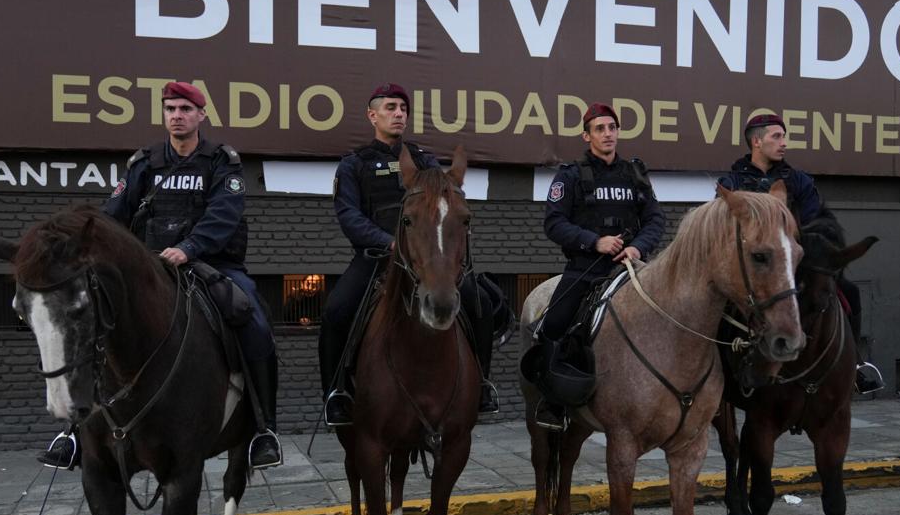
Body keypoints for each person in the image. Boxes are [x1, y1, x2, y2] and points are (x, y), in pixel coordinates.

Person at [38, 81, 283, 470]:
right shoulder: (145, 163)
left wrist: (189, 248)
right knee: (95, 324)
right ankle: (75, 430)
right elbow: (113, 217)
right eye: (170, 109)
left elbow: (225, 214)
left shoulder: (222, 161)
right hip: (150, 270)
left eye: (185, 109)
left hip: (212, 265)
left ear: (201, 115)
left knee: (251, 317)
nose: (177, 116)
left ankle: (263, 428)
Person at [320, 82, 498, 426]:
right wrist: (389, 242)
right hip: (376, 259)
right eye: (390, 108)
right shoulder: (353, 165)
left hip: (427, 260)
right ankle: (336, 393)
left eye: (403, 109)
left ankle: (483, 384)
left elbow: (446, 201)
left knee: (480, 303)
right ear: (372, 115)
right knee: (336, 310)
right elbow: (349, 216)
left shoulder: (424, 161)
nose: (398, 113)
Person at [719, 113, 884, 393]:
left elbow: (816, 221)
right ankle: (716, 368)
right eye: (777, 137)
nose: (784, 143)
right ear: (756, 142)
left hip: (793, 263)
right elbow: (724, 228)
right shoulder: (732, 182)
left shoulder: (799, 181)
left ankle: (855, 364)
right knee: (716, 303)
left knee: (849, 293)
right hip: (751, 267)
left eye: (784, 137)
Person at [532, 103, 667, 430]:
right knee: (554, 324)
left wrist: (637, 247)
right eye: (600, 129)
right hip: (585, 268)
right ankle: (552, 401)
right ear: (587, 135)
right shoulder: (571, 175)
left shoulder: (635, 174)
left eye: (612, 128)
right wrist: (595, 241)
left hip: (630, 270)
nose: (607, 134)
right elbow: (554, 223)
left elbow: (655, 219)